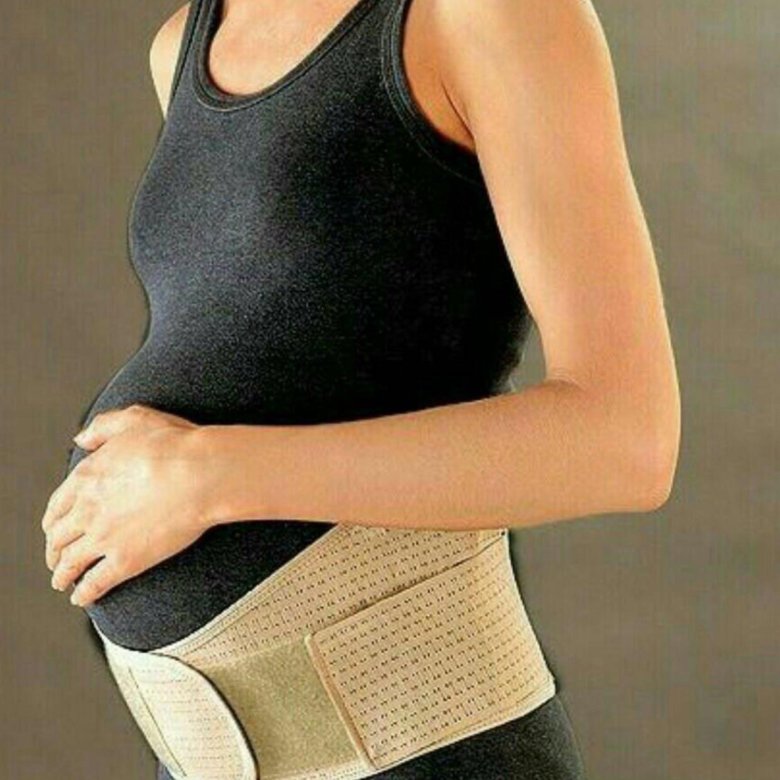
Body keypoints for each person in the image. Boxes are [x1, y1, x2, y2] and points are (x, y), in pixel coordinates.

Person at [41, 0, 680, 778]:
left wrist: (210, 475)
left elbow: (626, 439)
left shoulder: (486, 15)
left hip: (432, 752)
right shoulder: (181, 45)